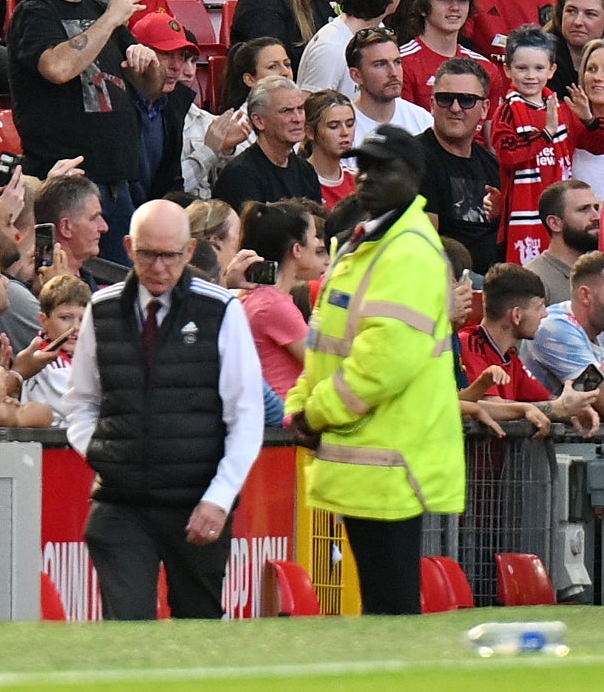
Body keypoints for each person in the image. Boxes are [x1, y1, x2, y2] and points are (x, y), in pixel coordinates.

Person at [50, 197, 263, 616]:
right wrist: (102, 453)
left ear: (188, 252)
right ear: (129, 248)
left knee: (197, 630)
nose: (159, 267)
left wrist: (219, 498)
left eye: (170, 255)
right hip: (121, 502)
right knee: (128, 629)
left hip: (196, 500)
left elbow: (246, 414)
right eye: (148, 254)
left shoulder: (221, 310)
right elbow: (80, 401)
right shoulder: (103, 308)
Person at [288, 160, 463, 609]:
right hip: (372, 456)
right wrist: (301, 405)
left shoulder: (401, 256)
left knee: (390, 604)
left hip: (390, 459)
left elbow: (381, 363)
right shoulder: (370, 259)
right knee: (383, 602)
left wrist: (314, 412)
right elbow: (326, 352)